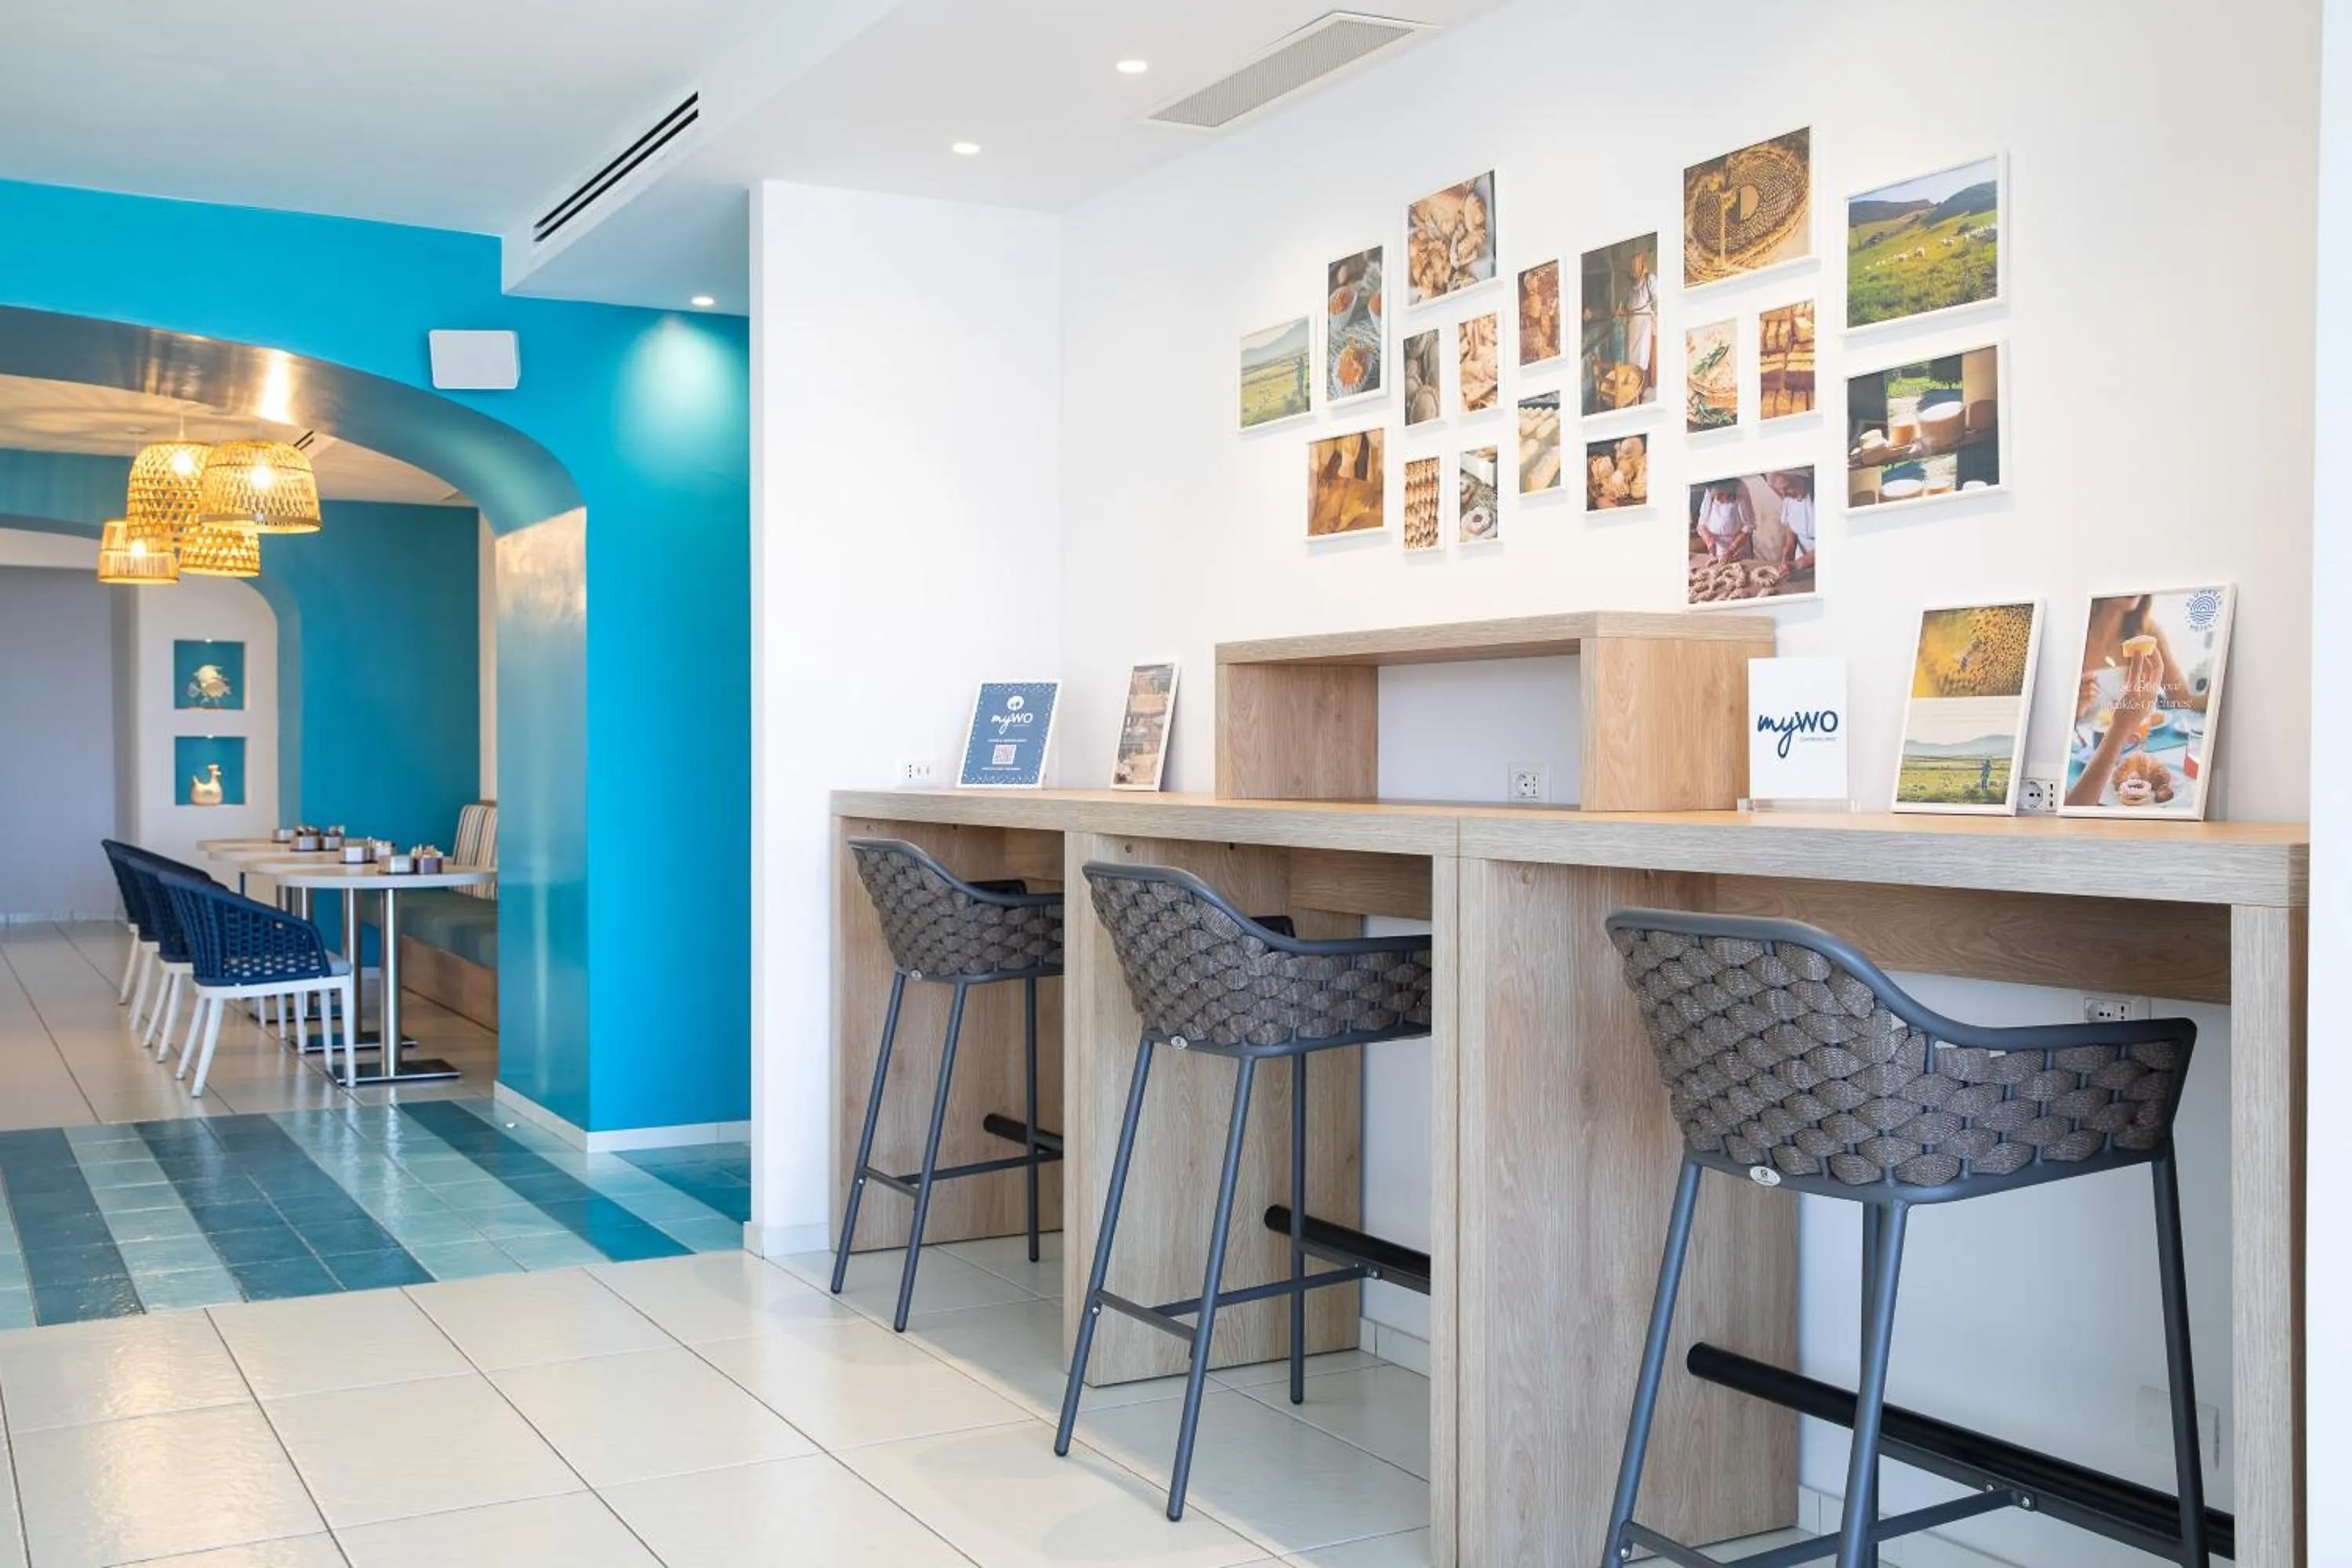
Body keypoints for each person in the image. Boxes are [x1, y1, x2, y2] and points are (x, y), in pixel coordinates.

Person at [1693, 479, 1754, 561]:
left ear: (1729, 490)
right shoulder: (1710, 492)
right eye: (1714, 496)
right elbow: (1701, 525)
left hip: (1739, 550)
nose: (1717, 499)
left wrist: (1731, 550)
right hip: (1717, 549)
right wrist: (1709, 541)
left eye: (1721, 494)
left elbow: (1748, 529)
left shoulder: (1740, 493)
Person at [1769, 470, 1816, 574]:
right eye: (1780, 490)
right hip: (1799, 559)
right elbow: (1791, 529)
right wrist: (1788, 553)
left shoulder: (1821, 497)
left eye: (1787, 487)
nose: (1784, 494)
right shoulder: (1789, 500)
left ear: (1801, 480)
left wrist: (1798, 564)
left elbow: (1829, 544)